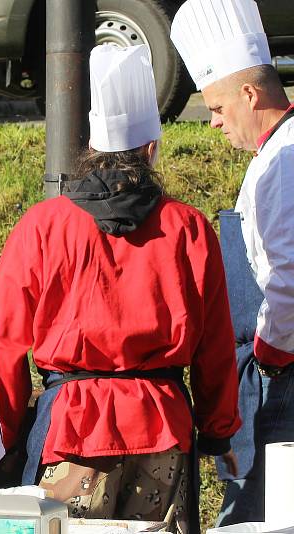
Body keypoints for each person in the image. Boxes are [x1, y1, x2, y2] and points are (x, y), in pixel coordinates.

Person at [0, 43, 241, 533]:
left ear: (92, 149)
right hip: (162, 431)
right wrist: (218, 433)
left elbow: (3, 345)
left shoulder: (42, 226)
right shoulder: (187, 227)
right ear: (150, 150)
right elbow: (215, 346)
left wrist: (6, 434)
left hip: (71, 433)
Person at [171, 0, 294, 525]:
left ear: (250, 93)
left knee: (261, 510)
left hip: (282, 369)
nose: (214, 122)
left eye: (218, 108)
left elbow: (289, 278)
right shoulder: (278, 153)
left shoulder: (283, 162)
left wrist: (268, 355)